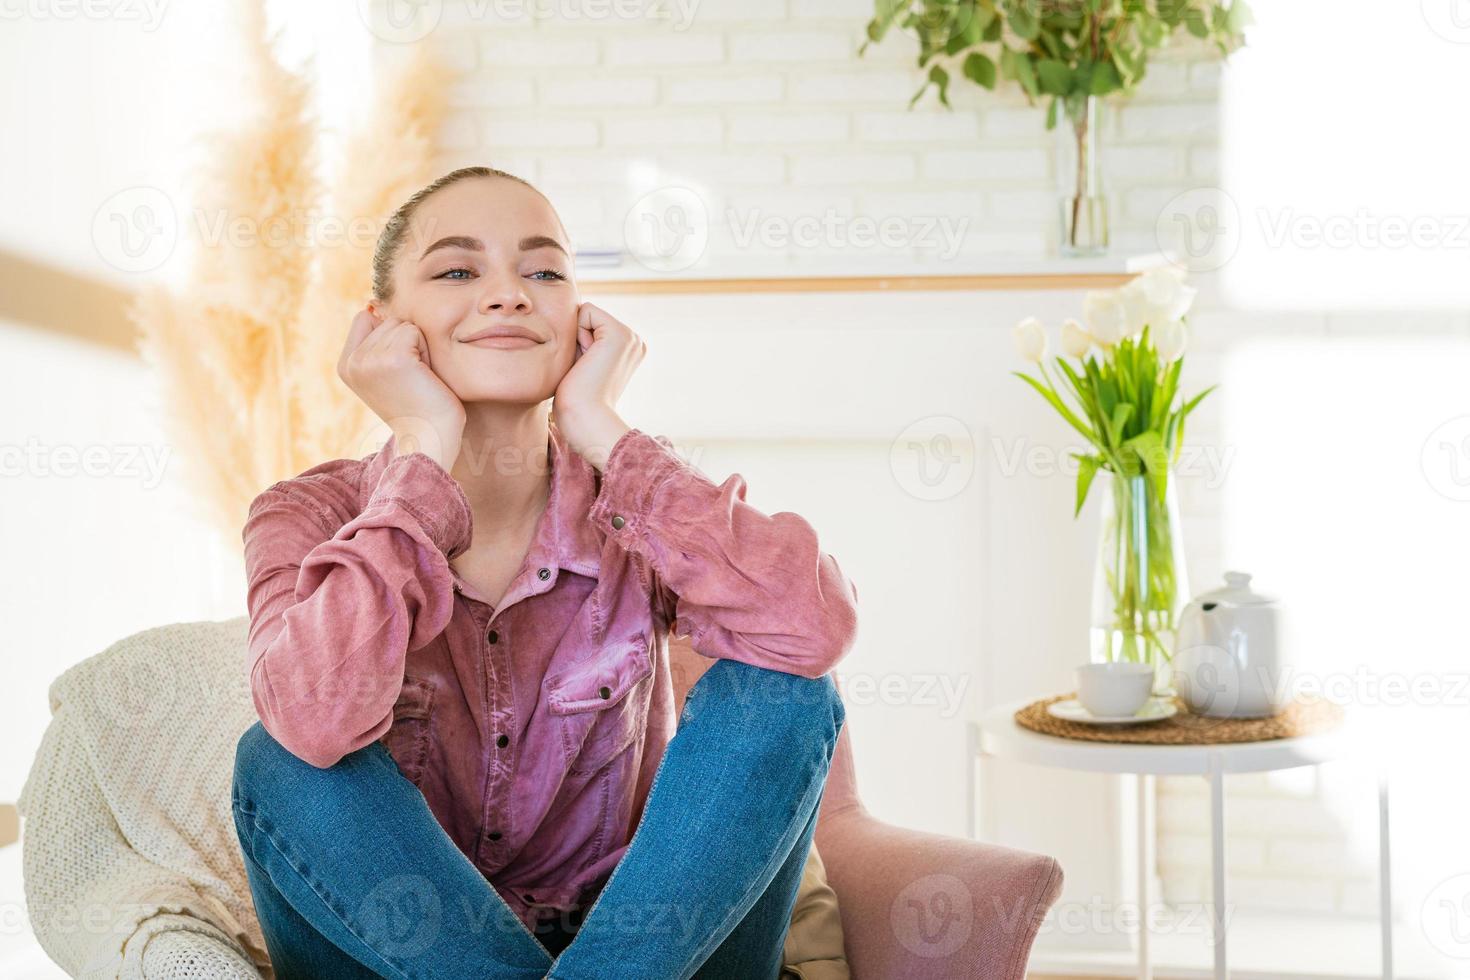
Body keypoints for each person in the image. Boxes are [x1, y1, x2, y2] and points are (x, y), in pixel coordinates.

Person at [229, 165, 860, 979]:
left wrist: (603, 428)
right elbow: (312, 719)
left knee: (788, 693)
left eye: (544, 271)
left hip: (651, 954)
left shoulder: (638, 505)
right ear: (383, 331)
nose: (509, 295)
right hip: (400, 959)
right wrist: (424, 443)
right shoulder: (306, 514)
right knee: (280, 760)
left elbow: (812, 628)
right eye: (459, 270)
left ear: (582, 323)